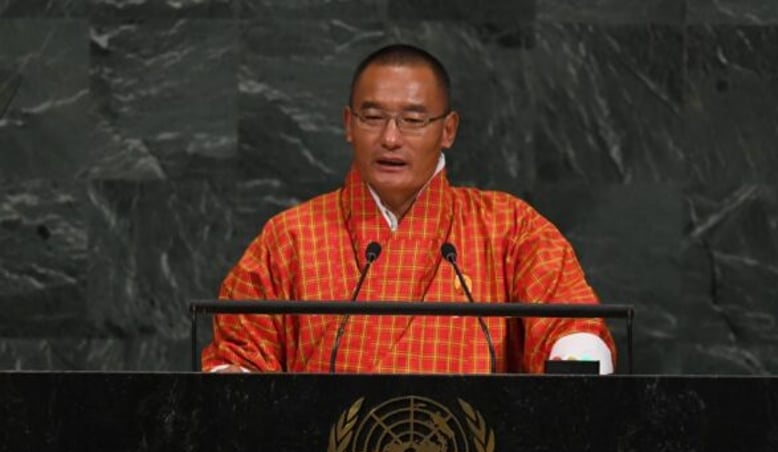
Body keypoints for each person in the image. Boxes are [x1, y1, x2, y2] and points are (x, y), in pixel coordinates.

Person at [203, 44, 616, 374]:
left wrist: (576, 355)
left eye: (413, 120)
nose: (390, 138)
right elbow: (241, 350)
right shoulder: (289, 237)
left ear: (448, 129)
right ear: (348, 125)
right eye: (373, 117)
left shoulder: (511, 228)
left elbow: (571, 322)